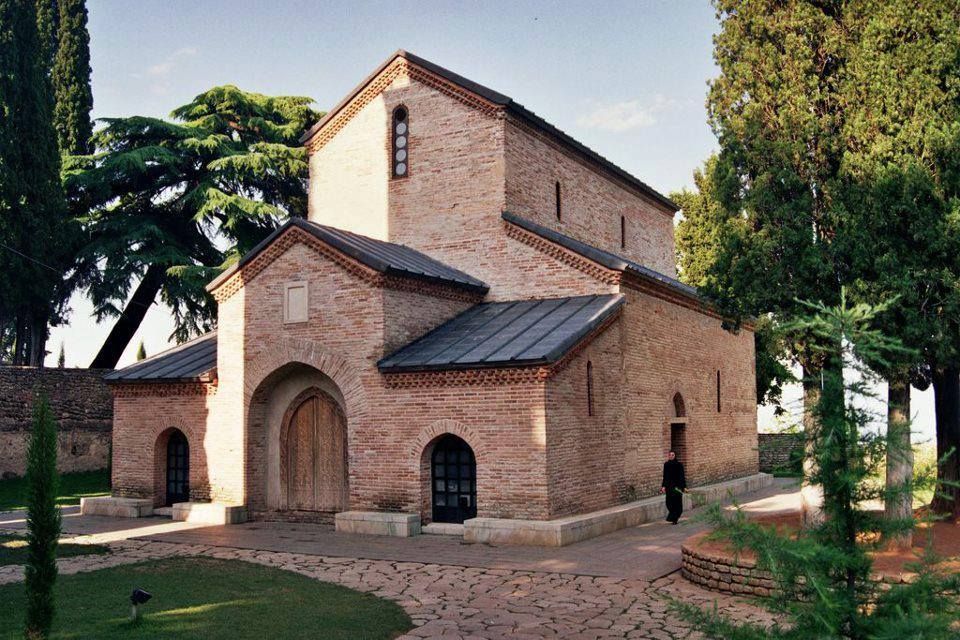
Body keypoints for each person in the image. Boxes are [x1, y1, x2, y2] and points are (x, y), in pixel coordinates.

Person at [660, 450, 686, 524]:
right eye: (670, 455)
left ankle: (675, 519)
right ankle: (673, 516)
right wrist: (663, 486)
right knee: (669, 503)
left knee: (677, 503)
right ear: (668, 456)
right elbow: (665, 476)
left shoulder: (679, 465)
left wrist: (684, 487)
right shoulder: (666, 464)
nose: (671, 456)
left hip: (678, 487)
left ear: (675, 456)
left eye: (672, 455)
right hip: (669, 487)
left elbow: (682, 476)